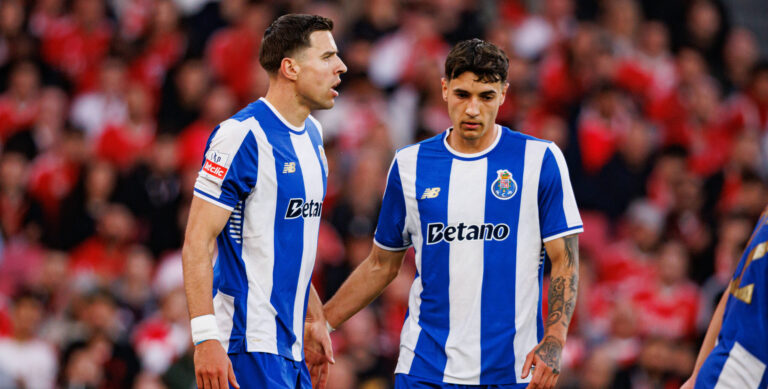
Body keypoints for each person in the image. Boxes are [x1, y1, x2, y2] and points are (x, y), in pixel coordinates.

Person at [323, 39, 582, 389]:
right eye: (462, 95)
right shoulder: (409, 165)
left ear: (504, 94)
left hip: (512, 371)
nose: (473, 109)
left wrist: (554, 339)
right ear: (444, 90)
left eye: (486, 96)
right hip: (425, 368)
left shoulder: (540, 161)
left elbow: (564, 259)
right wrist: (322, 324)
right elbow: (382, 264)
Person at [181, 14, 347, 389]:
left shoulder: (314, 138)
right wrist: (205, 337)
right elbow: (197, 241)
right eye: (327, 57)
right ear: (290, 67)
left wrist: (312, 317)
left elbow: (288, 244)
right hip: (245, 344)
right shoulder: (241, 136)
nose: (341, 66)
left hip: (288, 351)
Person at [682, 207, 768, 389]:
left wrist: (698, 372)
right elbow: (735, 286)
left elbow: (734, 286)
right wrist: (697, 373)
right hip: (739, 372)